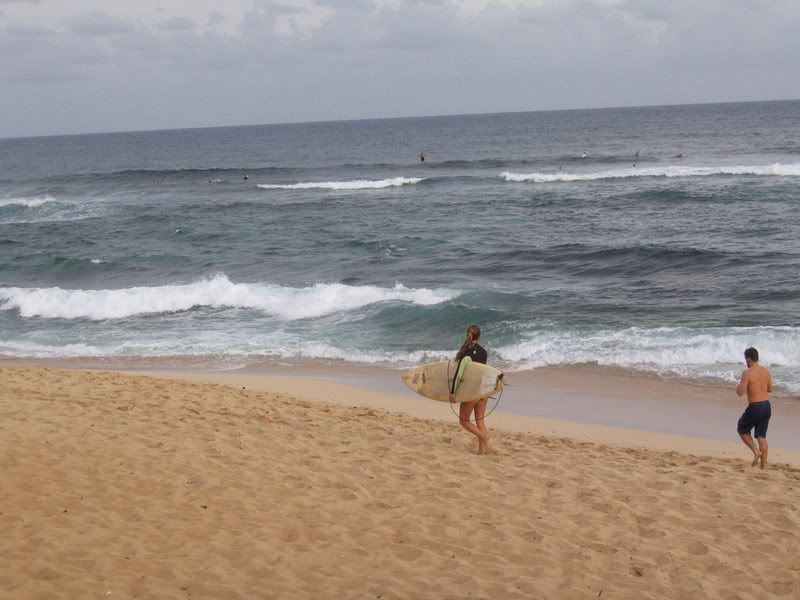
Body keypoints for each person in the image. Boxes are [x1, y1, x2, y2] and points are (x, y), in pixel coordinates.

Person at [449, 324, 492, 454]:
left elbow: (459, 374)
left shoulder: (465, 352)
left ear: (467, 335)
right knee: (480, 420)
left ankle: (484, 437)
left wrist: (453, 392)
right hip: (482, 391)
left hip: (471, 392)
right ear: (479, 337)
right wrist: (487, 392)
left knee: (464, 421)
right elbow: (483, 372)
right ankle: (482, 450)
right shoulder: (484, 352)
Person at [736, 347, 773, 468]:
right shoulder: (766, 371)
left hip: (755, 406)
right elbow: (770, 389)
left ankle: (756, 452)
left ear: (748, 358)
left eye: (745, 359)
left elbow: (740, 392)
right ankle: (763, 465)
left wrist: (739, 386)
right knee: (761, 436)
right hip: (767, 406)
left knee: (742, 429)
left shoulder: (747, 373)